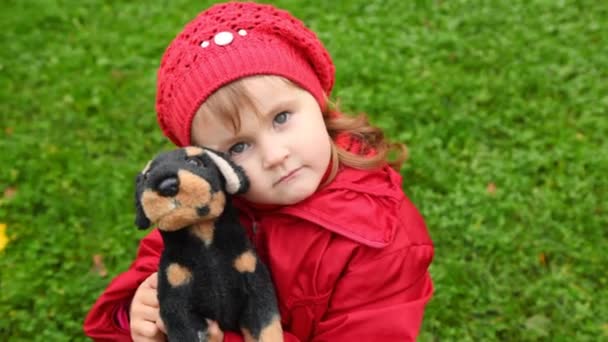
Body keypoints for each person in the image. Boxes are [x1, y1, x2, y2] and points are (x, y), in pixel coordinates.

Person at [84, 1, 434, 341]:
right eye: (238, 147)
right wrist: (138, 308)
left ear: (318, 100)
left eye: (281, 118)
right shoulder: (205, 204)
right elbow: (159, 258)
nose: (274, 155)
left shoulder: (378, 235)